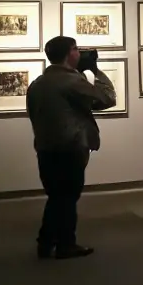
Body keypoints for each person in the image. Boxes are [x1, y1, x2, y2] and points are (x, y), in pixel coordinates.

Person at [25, 36, 117, 260]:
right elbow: (107, 99)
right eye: (76, 49)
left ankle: (46, 242)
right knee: (67, 197)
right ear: (69, 54)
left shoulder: (38, 83)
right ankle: (65, 244)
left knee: (57, 196)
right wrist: (95, 71)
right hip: (69, 147)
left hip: (46, 148)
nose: (80, 53)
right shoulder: (70, 82)